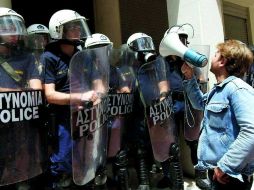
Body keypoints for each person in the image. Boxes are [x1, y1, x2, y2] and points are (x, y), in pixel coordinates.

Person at [181, 39, 254, 190]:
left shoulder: (238, 89)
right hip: (219, 172)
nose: (211, 58)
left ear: (222, 61)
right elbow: (199, 103)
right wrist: (189, 77)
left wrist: (225, 166)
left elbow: (251, 132)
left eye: (215, 55)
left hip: (230, 175)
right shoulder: (220, 89)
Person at [40, 9, 93, 189]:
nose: (78, 30)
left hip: (84, 116)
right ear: (59, 31)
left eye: (79, 26)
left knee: (83, 160)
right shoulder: (49, 57)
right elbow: (50, 95)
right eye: (72, 27)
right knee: (62, 162)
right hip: (62, 118)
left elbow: (93, 82)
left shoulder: (82, 55)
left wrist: (97, 95)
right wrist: (80, 98)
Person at [157, 25, 210, 190]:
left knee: (195, 139)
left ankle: (201, 174)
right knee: (168, 142)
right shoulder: (162, 63)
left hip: (189, 103)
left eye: (184, 39)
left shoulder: (190, 59)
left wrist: (192, 71)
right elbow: (161, 87)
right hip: (170, 103)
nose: (183, 42)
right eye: (180, 39)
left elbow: (202, 79)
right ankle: (169, 176)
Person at [0, 7, 43, 190]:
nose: (15, 33)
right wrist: (18, 90)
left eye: (16, 27)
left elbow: (36, 89)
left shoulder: (27, 57)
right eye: (8, 28)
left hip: (20, 125)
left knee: (22, 178)